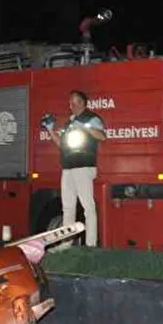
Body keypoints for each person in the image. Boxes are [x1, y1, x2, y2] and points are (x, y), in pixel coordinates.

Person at [45, 90, 106, 246]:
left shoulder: (91, 118)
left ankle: (91, 245)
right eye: (69, 103)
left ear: (81, 103)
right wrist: (50, 129)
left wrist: (84, 127)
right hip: (68, 168)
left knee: (88, 207)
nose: (70, 106)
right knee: (68, 207)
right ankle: (66, 245)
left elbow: (102, 136)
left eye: (72, 103)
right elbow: (61, 145)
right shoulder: (69, 123)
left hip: (83, 167)